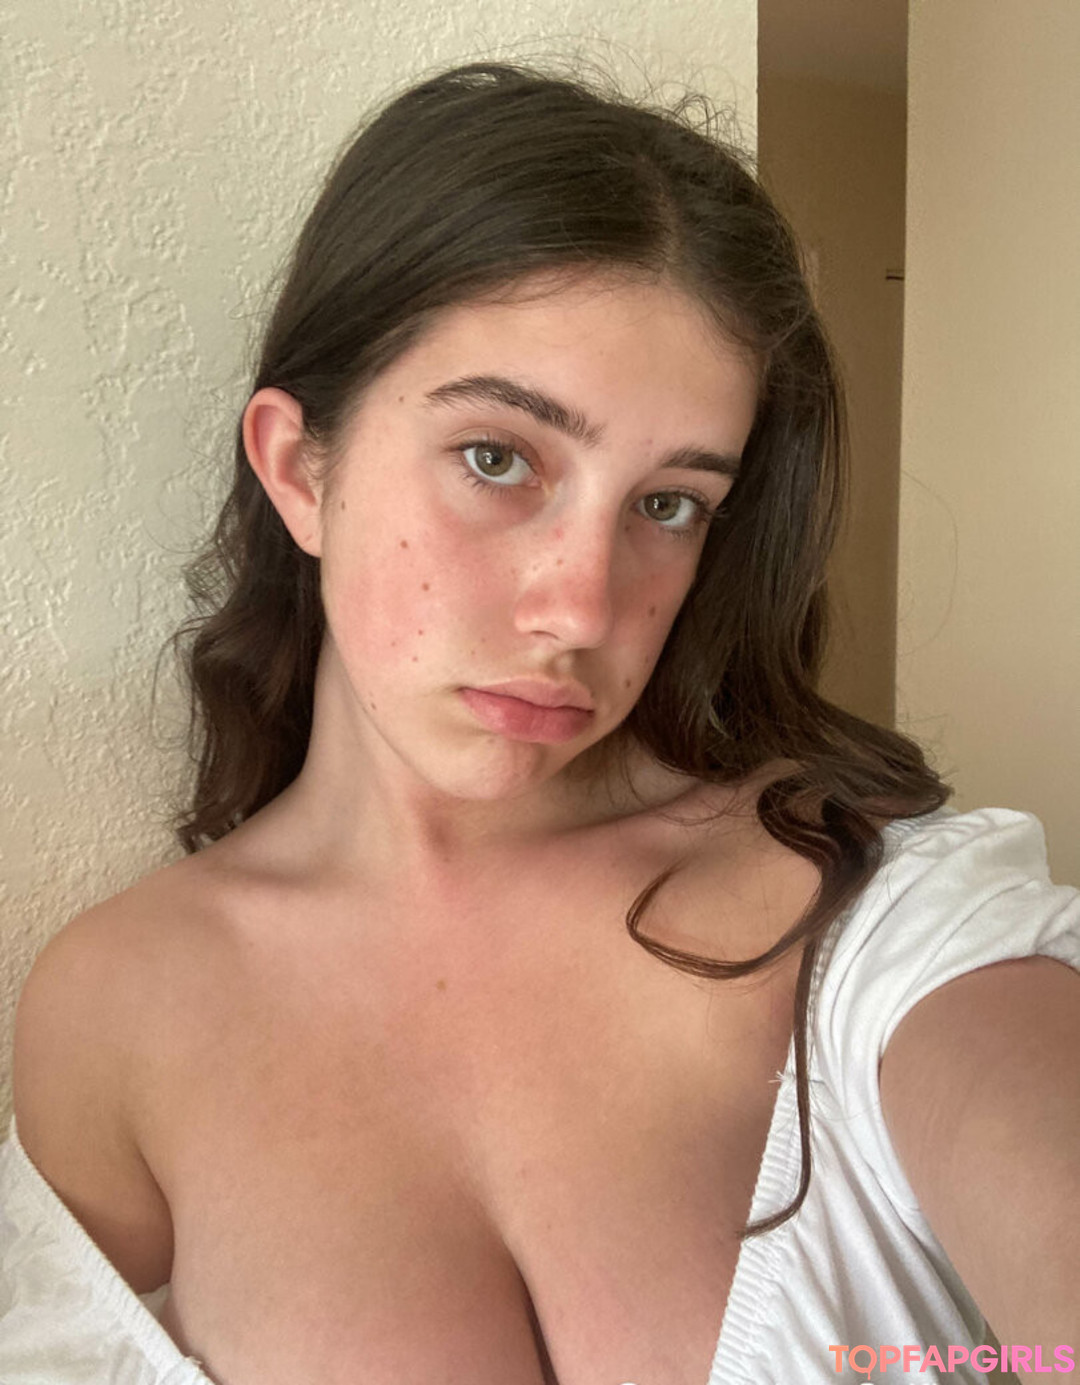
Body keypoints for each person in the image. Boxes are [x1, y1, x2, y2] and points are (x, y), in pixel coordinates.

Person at [1, 61, 1077, 1385]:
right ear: (300, 468)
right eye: (498, 457)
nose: (581, 607)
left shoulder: (877, 920)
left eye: (668, 504)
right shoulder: (118, 1010)